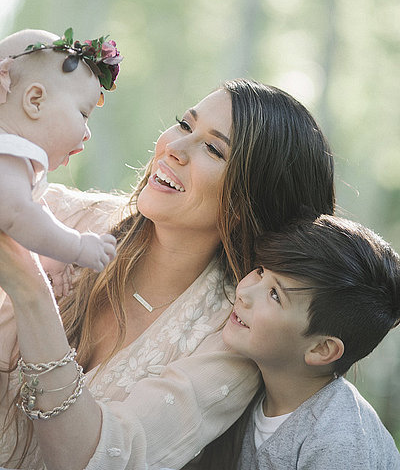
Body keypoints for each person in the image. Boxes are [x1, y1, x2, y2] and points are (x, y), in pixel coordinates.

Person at [0, 77, 335, 470]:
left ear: (249, 204)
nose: (173, 148)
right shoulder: (64, 219)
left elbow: (105, 458)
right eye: (184, 124)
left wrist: (32, 294)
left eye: (212, 148)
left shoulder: (232, 341)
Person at [205, 215, 400, 469]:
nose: (243, 292)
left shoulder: (340, 443)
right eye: (261, 271)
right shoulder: (249, 387)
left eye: (274, 294)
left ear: (321, 349)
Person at [0, 28, 121, 281]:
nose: (87, 133)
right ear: (35, 101)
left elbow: (31, 212)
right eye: (83, 114)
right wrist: (75, 247)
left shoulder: (13, 166)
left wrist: (51, 256)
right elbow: (19, 215)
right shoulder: (8, 156)